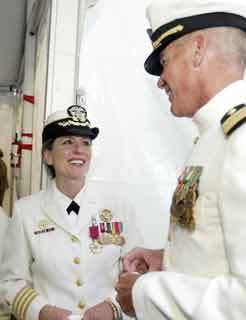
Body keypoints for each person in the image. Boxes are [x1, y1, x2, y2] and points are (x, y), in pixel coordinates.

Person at [115, 0, 246, 319]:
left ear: (197, 50)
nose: (160, 79)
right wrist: (167, 260)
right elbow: (225, 251)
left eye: (164, 60)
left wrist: (147, 292)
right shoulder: (217, 136)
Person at [0, 105, 142, 320]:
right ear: (47, 155)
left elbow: (136, 272)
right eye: (68, 142)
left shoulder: (118, 207)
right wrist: (41, 312)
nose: (79, 150)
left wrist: (113, 308)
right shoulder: (26, 211)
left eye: (85, 143)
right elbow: (10, 282)